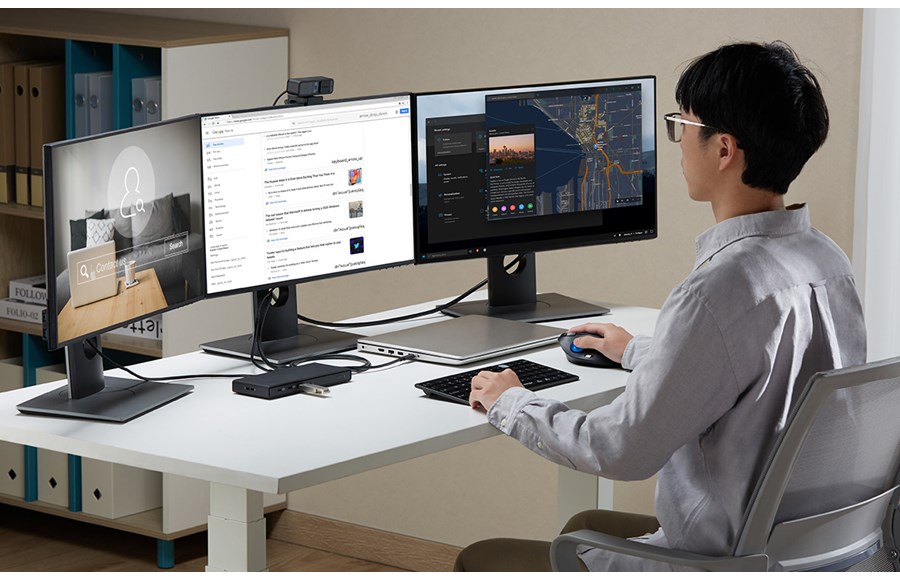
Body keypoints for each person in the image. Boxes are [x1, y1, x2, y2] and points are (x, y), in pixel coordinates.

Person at [455, 41, 867, 572]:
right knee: (581, 525)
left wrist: (512, 402)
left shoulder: (717, 289)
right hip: (807, 552)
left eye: (684, 125)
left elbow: (621, 449)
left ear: (723, 150)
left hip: (719, 559)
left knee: (483, 558)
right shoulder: (828, 261)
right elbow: (759, 380)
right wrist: (641, 353)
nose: (676, 144)